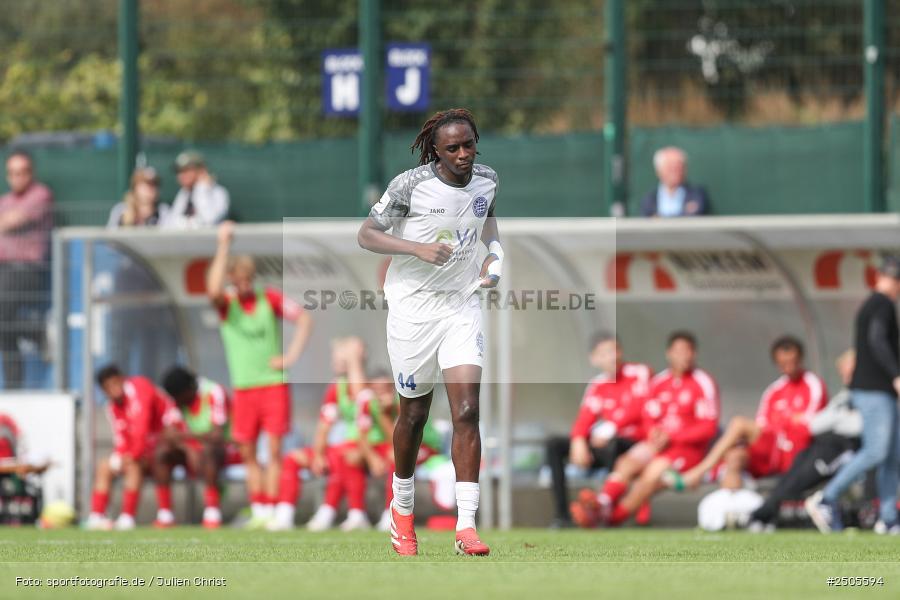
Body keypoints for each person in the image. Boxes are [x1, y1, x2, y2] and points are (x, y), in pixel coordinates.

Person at [357, 107, 501, 556]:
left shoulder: (488, 178)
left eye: (469, 145)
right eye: (453, 148)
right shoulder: (410, 185)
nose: (463, 154)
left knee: (467, 410)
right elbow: (366, 234)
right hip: (412, 312)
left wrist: (494, 255)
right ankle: (401, 510)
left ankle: (466, 527)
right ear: (435, 151)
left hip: (461, 306)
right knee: (414, 416)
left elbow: (486, 219)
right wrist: (415, 247)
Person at [207, 221, 313, 529]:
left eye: (246, 280)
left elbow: (304, 319)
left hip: (272, 384)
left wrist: (291, 356)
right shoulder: (227, 306)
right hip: (244, 388)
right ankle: (260, 508)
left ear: (251, 279)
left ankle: (278, 509)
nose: (242, 285)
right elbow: (213, 289)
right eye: (236, 280)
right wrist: (223, 244)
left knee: (275, 449)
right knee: (248, 452)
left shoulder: (269, 299)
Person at [570, 331, 720, 527]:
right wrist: (653, 432)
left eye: (687, 351)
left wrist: (672, 436)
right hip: (658, 445)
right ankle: (602, 503)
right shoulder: (659, 383)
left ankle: (611, 518)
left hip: (687, 450)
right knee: (627, 462)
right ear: (669, 354)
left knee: (650, 475)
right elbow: (647, 415)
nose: (683, 356)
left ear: (694, 354)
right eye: (678, 351)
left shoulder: (702, 382)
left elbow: (709, 427)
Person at [806, 256, 900, 534]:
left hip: (879, 390)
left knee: (893, 455)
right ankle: (826, 498)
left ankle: (888, 517)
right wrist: (896, 374)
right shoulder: (881, 304)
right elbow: (877, 339)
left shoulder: (874, 304)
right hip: (874, 390)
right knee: (876, 451)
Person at [663, 336, 826, 492]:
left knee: (739, 424)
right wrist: (789, 419)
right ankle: (730, 515)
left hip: (793, 452)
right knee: (734, 457)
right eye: (783, 364)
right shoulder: (774, 391)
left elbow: (810, 422)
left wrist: (783, 421)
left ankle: (698, 473)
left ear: (800, 359)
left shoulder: (813, 383)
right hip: (770, 450)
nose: (788, 367)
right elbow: (763, 423)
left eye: (792, 362)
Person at [746, 350, 861, 532]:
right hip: (823, 443)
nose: (846, 376)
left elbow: (856, 426)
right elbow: (817, 423)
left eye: (851, 371)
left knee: (800, 479)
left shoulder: (872, 396)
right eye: (843, 373)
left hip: (844, 448)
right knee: (791, 474)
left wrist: (835, 419)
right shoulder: (845, 396)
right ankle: (764, 516)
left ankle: (762, 515)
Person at [544, 332, 651, 528]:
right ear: (594, 359)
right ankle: (562, 516)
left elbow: (640, 406)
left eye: (615, 350)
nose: (613, 356)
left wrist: (611, 427)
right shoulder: (597, 384)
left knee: (614, 443)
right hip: (608, 446)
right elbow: (585, 417)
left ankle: (606, 512)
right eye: (605, 352)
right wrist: (578, 441)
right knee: (554, 444)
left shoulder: (640, 373)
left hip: (634, 443)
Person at [270, 337, 368, 532]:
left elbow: (361, 398)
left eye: (342, 357)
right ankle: (284, 515)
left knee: (345, 456)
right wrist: (318, 454)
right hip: (339, 449)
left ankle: (341, 513)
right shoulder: (336, 387)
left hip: (369, 449)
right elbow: (324, 425)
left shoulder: (373, 382)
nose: (334, 362)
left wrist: (354, 360)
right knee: (292, 458)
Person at [86, 365, 181, 531]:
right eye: (108, 387)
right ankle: (96, 516)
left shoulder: (140, 387)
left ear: (123, 379)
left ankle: (127, 517)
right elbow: (121, 438)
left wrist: (131, 455)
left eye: (115, 383)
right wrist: (122, 457)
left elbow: (141, 427)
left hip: (168, 441)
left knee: (133, 464)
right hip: (144, 448)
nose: (114, 390)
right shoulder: (112, 407)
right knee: (104, 466)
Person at [353, 369, 444, 532]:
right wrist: (372, 458)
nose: (381, 394)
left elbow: (402, 441)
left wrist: (383, 415)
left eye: (386, 389)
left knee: (398, 459)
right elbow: (362, 434)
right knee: (351, 458)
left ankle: (392, 514)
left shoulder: (403, 401)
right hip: (395, 446)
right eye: (377, 390)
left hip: (424, 446)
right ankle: (356, 513)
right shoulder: (368, 403)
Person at [159, 366, 238, 529]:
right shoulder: (175, 399)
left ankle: (212, 512)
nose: (177, 402)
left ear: (188, 390)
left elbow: (217, 436)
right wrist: (188, 448)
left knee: (208, 450)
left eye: (179, 398)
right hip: (192, 450)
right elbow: (168, 433)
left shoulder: (213, 392)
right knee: (161, 453)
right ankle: (165, 515)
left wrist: (187, 439)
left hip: (225, 450)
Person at [0, 150, 53, 389]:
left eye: (22, 172)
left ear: (31, 173)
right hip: (4, 270)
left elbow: (10, 222)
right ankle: (13, 386)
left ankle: (40, 332)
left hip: (27, 270)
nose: (17, 178)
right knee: (4, 328)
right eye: (12, 173)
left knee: (3, 321)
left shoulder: (40, 195)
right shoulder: (5, 201)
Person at [165, 150, 229, 229]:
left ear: (201, 170)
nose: (181, 175)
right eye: (178, 171)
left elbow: (210, 220)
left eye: (186, 170)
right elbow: (171, 224)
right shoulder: (183, 193)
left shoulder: (218, 192)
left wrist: (202, 188)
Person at [640, 147, 710, 217]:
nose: (676, 171)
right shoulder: (650, 199)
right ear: (659, 171)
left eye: (679, 166)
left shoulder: (697, 194)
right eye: (670, 167)